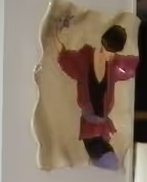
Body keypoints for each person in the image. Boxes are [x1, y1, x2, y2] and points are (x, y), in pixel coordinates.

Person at [55, 20, 139, 170]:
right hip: (89, 132)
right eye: (110, 51)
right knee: (110, 164)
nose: (111, 56)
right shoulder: (84, 59)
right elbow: (64, 56)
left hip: (103, 130)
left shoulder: (113, 65)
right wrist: (57, 30)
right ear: (103, 44)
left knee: (110, 166)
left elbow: (132, 65)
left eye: (115, 53)